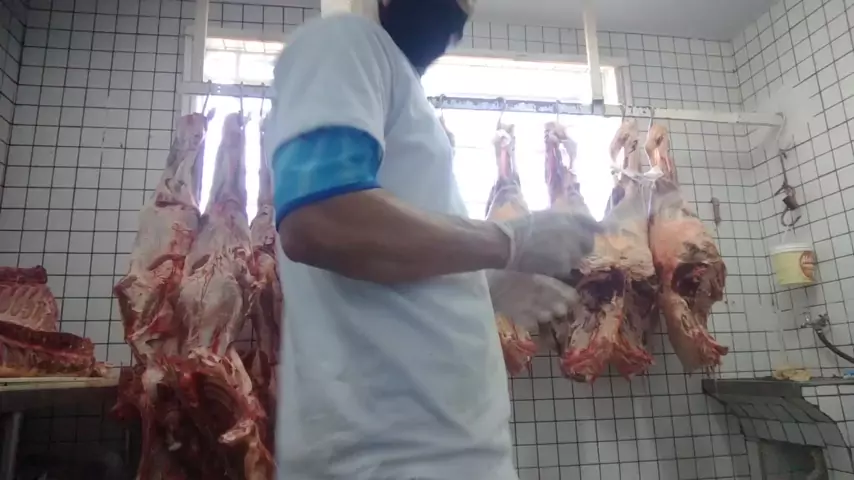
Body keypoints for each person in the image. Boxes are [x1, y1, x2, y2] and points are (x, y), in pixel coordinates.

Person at [264, 1, 600, 478]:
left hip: (445, 452)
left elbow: (388, 247)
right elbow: (320, 218)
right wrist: (507, 242)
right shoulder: (343, 43)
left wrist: (479, 285)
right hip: (391, 458)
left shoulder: (401, 92)